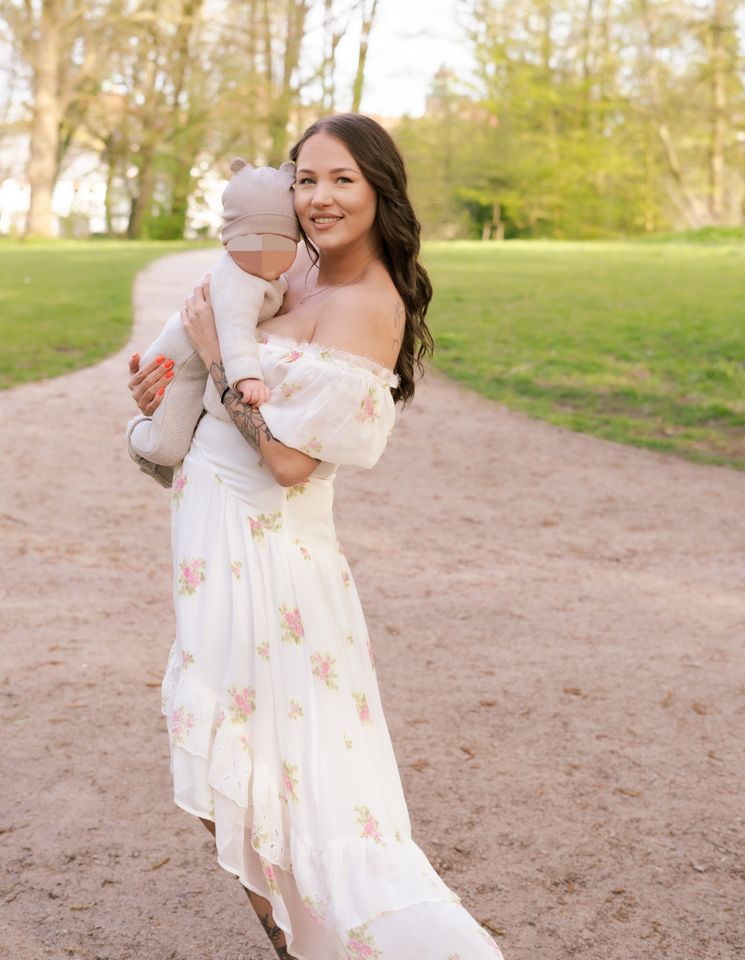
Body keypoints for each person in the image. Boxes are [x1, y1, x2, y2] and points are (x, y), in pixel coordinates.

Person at [128, 113, 505, 960]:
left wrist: (216, 361)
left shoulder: (370, 305)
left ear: (379, 189)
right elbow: (209, 387)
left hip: (275, 572)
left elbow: (290, 462)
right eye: (305, 179)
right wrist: (165, 387)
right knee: (233, 791)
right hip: (216, 560)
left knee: (293, 794)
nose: (320, 197)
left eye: (342, 180)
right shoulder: (286, 270)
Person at [128, 159, 299, 477]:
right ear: (230, 243)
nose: (266, 255)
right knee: (167, 446)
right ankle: (137, 436)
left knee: (186, 435)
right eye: (252, 243)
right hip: (178, 366)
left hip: (199, 366)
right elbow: (235, 329)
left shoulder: (267, 274)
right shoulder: (239, 279)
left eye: (280, 245)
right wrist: (247, 377)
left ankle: (162, 463)